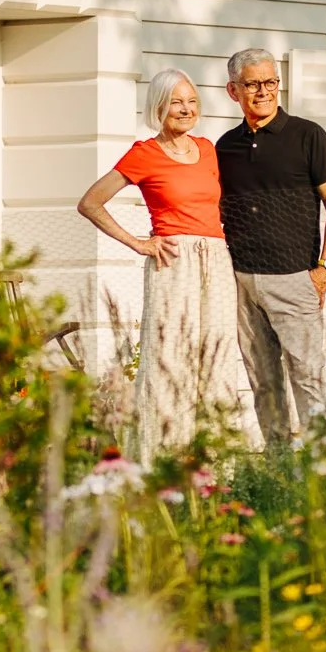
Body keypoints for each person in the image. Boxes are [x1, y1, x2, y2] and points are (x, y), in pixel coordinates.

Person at [77, 68, 249, 460]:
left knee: (218, 353)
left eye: (191, 101)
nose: (186, 109)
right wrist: (139, 243)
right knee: (169, 356)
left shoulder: (208, 149)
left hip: (217, 258)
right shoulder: (144, 154)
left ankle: (217, 459)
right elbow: (90, 202)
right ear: (159, 107)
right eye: (177, 102)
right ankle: (162, 457)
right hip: (173, 260)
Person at [215, 48, 326, 444]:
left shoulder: (308, 135)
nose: (263, 91)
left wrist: (324, 268)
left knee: (308, 375)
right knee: (263, 379)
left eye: (270, 82)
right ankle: (278, 468)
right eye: (252, 84)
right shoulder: (225, 147)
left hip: (295, 277)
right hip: (241, 280)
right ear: (233, 90)